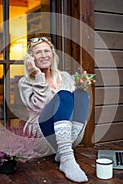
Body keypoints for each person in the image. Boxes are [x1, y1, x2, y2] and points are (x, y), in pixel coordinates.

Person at [18, 37, 92, 183]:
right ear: (30, 58)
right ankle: (66, 158)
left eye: (47, 50)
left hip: (68, 136)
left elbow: (73, 107)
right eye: (38, 52)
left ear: (52, 54)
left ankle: (63, 152)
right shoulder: (25, 82)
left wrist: (82, 86)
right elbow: (39, 106)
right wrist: (38, 75)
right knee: (63, 95)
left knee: (82, 95)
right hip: (41, 135)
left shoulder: (65, 77)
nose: (44, 55)